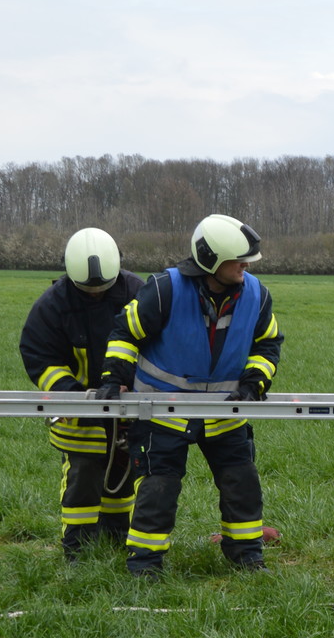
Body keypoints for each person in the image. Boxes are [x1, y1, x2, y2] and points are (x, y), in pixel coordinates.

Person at [96, 214, 283, 577]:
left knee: (242, 485)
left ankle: (246, 556)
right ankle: (145, 566)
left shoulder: (257, 295)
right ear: (211, 260)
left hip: (225, 412)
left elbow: (268, 343)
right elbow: (126, 332)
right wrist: (114, 376)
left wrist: (255, 380)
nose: (246, 265)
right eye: (238, 259)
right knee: (158, 490)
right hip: (163, 411)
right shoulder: (165, 289)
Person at [18, 228, 145, 560]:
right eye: (88, 290)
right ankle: (78, 549)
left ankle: (117, 536)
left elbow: (155, 343)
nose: (95, 294)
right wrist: (72, 395)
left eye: (102, 288)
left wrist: (128, 385)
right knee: (82, 474)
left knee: (123, 471)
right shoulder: (52, 305)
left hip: (126, 404)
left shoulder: (137, 291)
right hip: (78, 409)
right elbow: (40, 357)